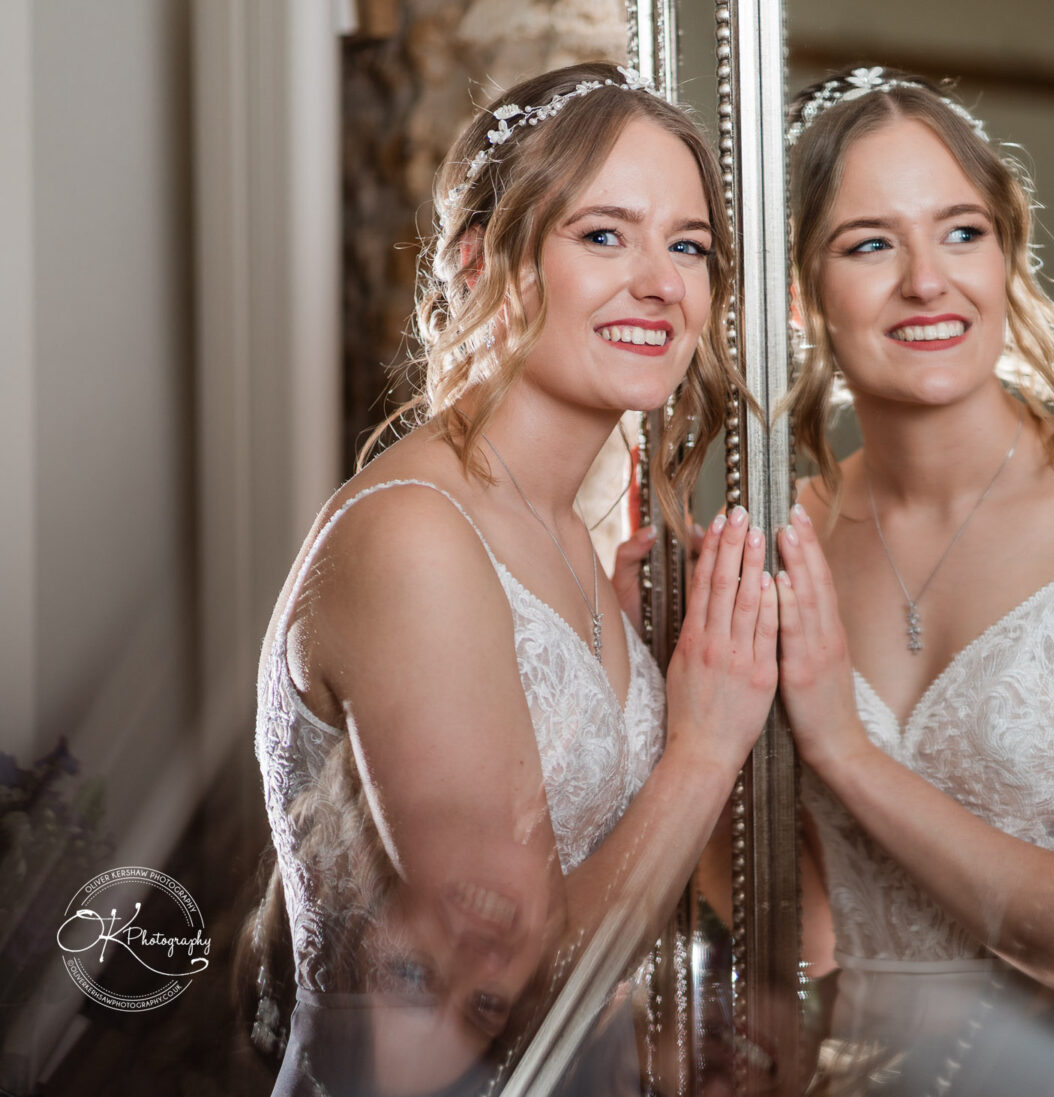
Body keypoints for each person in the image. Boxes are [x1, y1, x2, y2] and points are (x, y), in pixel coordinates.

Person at [244, 62, 779, 1097]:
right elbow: (498, 988)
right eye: (603, 234)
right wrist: (705, 742)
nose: (663, 283)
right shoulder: (414, 534)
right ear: (478, 259)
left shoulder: (568, 542)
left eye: (689, 246)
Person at [775, 67, 1054, 1095]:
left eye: (962, 231)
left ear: (1008, 254)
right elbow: (797, 915)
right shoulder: (787, 533)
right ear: (801, 296)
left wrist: (847, 750)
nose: (928, 281)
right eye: (871, 243)